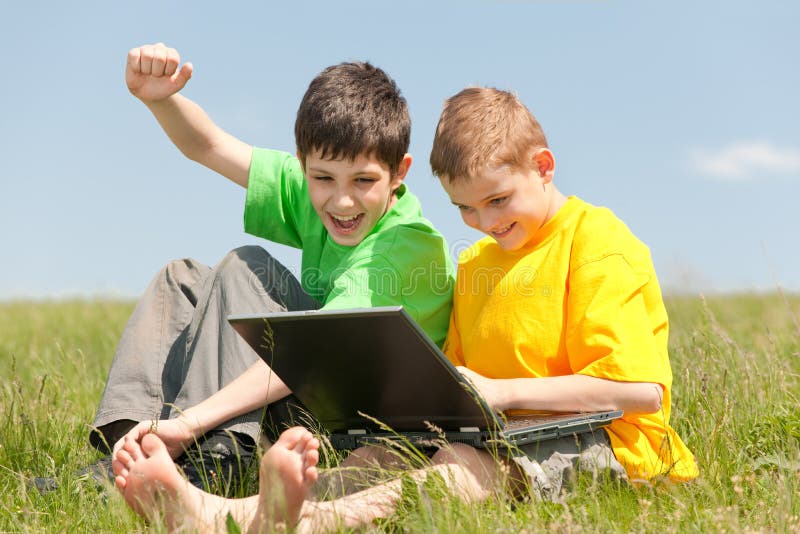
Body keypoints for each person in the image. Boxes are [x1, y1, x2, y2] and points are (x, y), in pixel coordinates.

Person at [110, 86, 699, 532]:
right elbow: (462, 383)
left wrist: (503, 393)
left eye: (498, 200)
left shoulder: (598, 242)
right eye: (466, 209)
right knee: (383, 452)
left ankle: (309, 523)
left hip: (611, 443)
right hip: (499, 429)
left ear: (543, 168)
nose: (487, 222)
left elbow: (640, 392)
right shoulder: (479, 264)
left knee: (463, 467)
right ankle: (223, 512)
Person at [79, 42, 455, 492]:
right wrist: (159, 98)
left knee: (247, 265)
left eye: (364, 181)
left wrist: (191, 422)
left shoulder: (405, 244)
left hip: (365, 427)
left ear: (399, 173)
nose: (342, 200)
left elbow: (318, 349)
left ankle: (219, 453)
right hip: (318, 389)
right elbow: (209, 144)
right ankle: (131, 448)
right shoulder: (315, 191)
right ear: (304, 167)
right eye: (323, 179)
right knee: (181, 279)